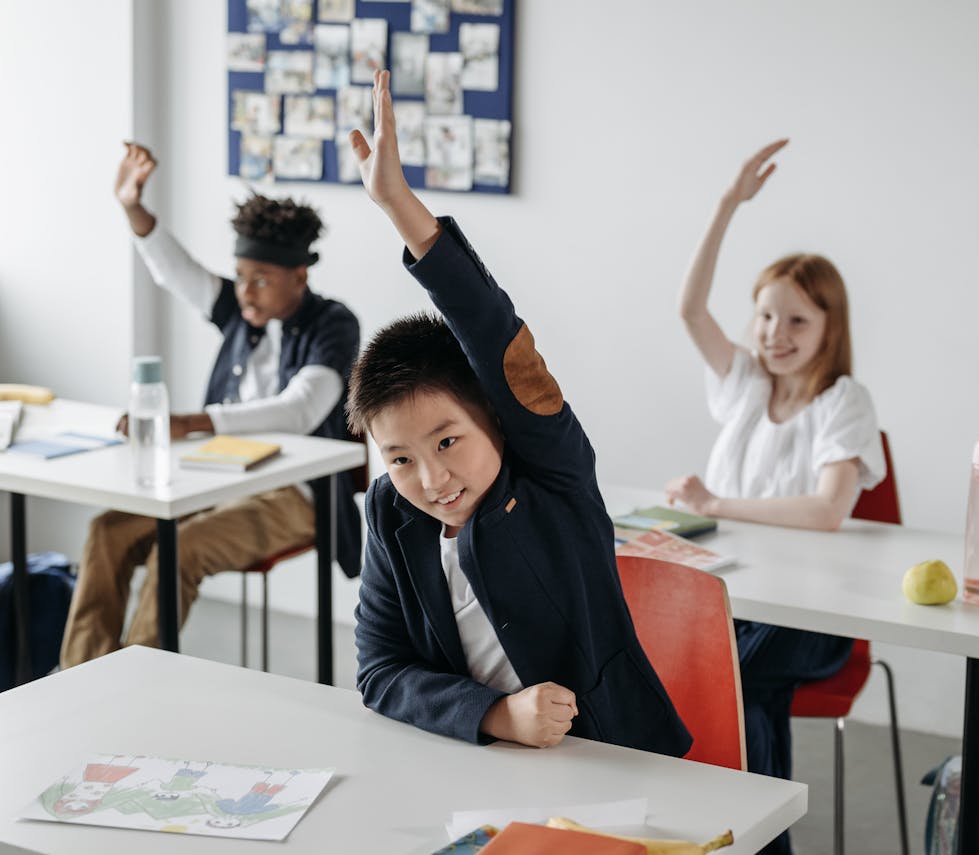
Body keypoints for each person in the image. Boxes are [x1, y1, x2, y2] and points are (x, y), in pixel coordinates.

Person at [344, 70, 691, 756]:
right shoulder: (390, 512)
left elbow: (493, 333)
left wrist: (399, 207)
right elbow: (380, 672)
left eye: (448, 441)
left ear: (496, 419)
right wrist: (495, 714)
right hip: (475, 769)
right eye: (401, 458)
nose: (431, 477)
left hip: (612, 757)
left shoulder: (550, 474)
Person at [59, 143, 362, 669]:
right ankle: (78, 674)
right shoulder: (238, 308)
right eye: (241, 275)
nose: (245, 291)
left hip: (296, 495)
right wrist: (133, 207)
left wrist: (192, 422)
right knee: (107, 531)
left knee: (180, 549)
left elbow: (301, 410)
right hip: (218, 477)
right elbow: (174, 270)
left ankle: (131, 682)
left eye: (261, 279)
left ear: (300, 277)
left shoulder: (333, 324)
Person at [664, 140, 887, 855]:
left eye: (797, 320)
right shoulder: (745, 385)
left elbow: (828, 510)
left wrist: (718, 503)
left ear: (830, 328)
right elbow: (689, 306)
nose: (775, 335)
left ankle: (722, 834)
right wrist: (727, 204)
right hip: (737, 600)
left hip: (815, 618)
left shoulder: (844, 400)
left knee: (711, 676)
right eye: (765, 317)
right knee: (734, 682)